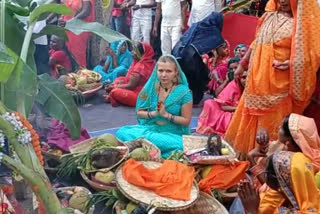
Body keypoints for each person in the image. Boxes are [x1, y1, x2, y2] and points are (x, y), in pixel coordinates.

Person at [225, 0, 320, 155]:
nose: (282, 1)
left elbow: (311, 55)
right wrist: (243, 64)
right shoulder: (269, 16)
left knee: (273, 127)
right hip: (257, 82)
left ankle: (268, 163)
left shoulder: (302, 24)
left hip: (281, 85)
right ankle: (249, 157)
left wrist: (291, 63)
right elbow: (257, 42)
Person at [116, 55, 193, 158]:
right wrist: (154, 114)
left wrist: (166, 115)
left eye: (168, 71)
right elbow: (139, 112)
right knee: (121, 132)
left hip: (172, 133)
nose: (164, 75)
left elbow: (186, 120)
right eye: (160, 71)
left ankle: (145, 147)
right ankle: (151, 149)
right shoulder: (151, 88)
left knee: (183, 146)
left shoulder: (184, 92)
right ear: (156, 71)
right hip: (150, 129)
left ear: (176, 73)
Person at [248, 114, 320, 188]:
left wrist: (251, 158)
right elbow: (268, 148)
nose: (279, 127)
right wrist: (263, 133)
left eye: (281, 127)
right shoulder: (296, 146)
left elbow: (270, 187)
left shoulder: (296, 164)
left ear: (288, 141)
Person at [238, 151, 320, 214]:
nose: (264, 176)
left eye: (266, 173)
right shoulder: (308, 193)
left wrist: (252, 211)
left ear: (281, 183)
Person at [172, 12, 227, 105]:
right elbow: (221, 52)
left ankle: (180, 99)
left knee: (185, 77)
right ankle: (195, 101)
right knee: (200, 77)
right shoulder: (214, 31)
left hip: (177, 53)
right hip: (191, 58)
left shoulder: (196, 25)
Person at [104, 42, 155, 107]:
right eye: (133, 50)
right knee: (118, 79)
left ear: (141, 54)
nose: (132, 52)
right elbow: (127, 79)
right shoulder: (139, 61)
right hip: (135, 87)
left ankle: (112, 96)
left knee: (114, 92)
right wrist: (114, 84)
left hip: (141, 95)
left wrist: (114, 86)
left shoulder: (140, 66)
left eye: (135, 51)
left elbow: (131, 86)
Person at [197, 71, 246, 136]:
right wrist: (238, 108)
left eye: (248, 77)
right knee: (209, 103)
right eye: (244, 77)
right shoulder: (233, 85)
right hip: (232, 112)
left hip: (246, 113)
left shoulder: (255, 88)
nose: (246, 80)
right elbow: (222, 106)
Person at [59, 0, 95, 68]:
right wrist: (61, 18)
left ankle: (81, 75)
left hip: (78, 30)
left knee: (78, 55)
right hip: (67, 28)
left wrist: (71, 21)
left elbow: (86, 11)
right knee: (68, 54)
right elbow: (64, 9)